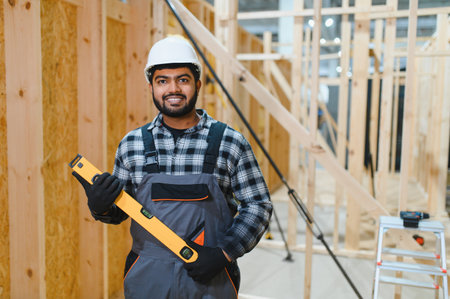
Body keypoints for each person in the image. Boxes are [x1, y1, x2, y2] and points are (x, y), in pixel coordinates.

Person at [73, 35, 272, 299]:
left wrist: (224, 252)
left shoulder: (229, 142)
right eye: (162, 81)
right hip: (147, 279)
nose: (173, 89)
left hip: (209, 277)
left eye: (183, 79)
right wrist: (101, 207)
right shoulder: (132, 145)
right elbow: (120, 213)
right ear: (152, 87)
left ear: (197, 84)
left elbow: (259, 205)